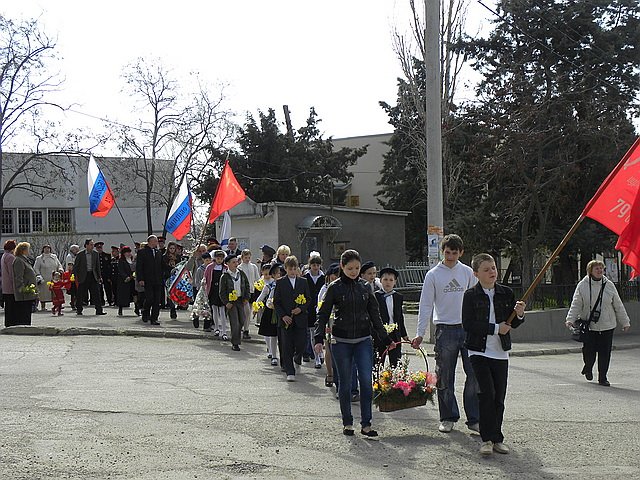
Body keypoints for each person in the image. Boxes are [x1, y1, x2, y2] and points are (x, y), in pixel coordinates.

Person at [314, 249, 395, 437]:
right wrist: (318, 338)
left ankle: (366, 424)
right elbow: (323, 314)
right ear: (342, 267)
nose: (354, 271)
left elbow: (375, 316)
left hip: (363, 340)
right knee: (345, 383)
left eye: (357, 268)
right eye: (350, 268)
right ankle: (347, 423)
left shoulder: (366, 288)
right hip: (341, 341)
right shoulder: (334, 288)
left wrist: (386, 339)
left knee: (366, 382)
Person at [411, 234, 480, 434]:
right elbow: (425, 305)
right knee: (444, 376)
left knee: (474, 374)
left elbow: (477, 301)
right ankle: (448, 416)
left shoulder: (468, 272)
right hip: (445, 329)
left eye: (455, 253)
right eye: (447, 252)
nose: (450, 256)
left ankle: (474, 418)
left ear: (461, 253)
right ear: (443, 252)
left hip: (468, 329)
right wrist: (420, 333)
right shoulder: (433, 275)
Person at [462, 253, 525, 456]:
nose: (492, 272)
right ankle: (486, 439)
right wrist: (496, 328)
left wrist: (520, 314)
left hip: (500, 352)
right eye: (487, 269)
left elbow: (512, 323)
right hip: (478, 351)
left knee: (499, 396)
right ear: (476, 273)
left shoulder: (506, 293)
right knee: (486, 393)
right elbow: (469, 324)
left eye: (494, 268)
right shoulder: (470, 295)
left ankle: (497, 438)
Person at [565, 260, 631, 386]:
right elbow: (576, 304)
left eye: (601, 268)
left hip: (607, 325)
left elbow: (618, 305)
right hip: (589, 326)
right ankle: (588, 367)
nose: (600, 270)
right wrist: (570, 319)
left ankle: (603, 377)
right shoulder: (583, 285)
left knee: (605, 353)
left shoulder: (609, 285)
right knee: (588, 351)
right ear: (590, 271)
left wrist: (625, 322)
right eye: (597, 268)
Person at [274, 255, 311, 381]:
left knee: (301, 343)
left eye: (295, 269)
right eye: (290, 269)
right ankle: (290, 370)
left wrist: (301, 308)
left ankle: (297, 357)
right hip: (286, 320)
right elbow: (276, 302)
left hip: (300, 318)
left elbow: (308, 299)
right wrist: (283, 316)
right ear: (286, 269)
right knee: (287, 345)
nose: (293, 271)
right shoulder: (280, 282)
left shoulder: (303, 282)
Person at [375, 267, 409, 367]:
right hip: (380, 334)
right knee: (378, 362)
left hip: (395, 333)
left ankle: (394, 381)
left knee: (396, 362)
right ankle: (377, 381)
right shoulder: (375, 296)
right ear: (380, 280)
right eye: (385, 279)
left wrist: (404, 334)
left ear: (395, 282)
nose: (388, 283)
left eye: (391, 280)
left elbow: (399, 317)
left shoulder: (398, 297)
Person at [219, 253, 250, 351]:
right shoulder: (225, 276)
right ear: (227, 263)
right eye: (233, 262)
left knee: (242, 320)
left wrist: (246, 298)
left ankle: (236, 337)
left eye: (237, 262)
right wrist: (226, 302)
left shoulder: (241, 273)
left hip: (240, 300)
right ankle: (235, 343)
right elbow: (222, 292)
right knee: (235, 322)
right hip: (231, 302)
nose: (236, 264)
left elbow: (247, 285)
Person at [317, 263, 340, 388]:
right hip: (328, 320)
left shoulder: (342, 287)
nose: (336, 277)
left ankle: (338, 374)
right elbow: (319, 307)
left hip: (340, 321)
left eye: (338, 275)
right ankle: (330, 373)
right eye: (334, 275)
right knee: (329, 348)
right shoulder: (325, 289)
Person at [74, 239, 106, 316]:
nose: (92, 246)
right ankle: (79, 310)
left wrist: (99, 276)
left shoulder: (95, 254)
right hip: (83, 276)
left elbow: (97, 266)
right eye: (91, 244)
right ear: (86, 245)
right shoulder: (80, 254)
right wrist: (76, 276)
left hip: (93, 275)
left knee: (96, 294)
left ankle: (99, 310)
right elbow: (76, 266)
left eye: (93, 244)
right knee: (81, 294)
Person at [136, 235, 163, 325]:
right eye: (155, 241)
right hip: (147, 280)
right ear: (150, 242)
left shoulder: (158, 252)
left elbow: (161, 266)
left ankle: (154, 318)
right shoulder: (142, 252)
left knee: (157, 300)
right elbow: (139, 267)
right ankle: (145, 312)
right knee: (150, 298)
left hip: (158, 280)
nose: (156, 243)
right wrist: (140, 279)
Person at [304, 254, 325, 367]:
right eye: (313, 265)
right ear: (310, 265)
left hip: (321, 309)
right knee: (312, 333)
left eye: (317, 265)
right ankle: (316, 357)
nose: (315, 267)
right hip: (309, 309)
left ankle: (320, 354)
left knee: (321, 334)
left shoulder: (323, 278)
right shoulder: (305, 278)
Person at [257, 263, 279, 365]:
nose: (279, 275)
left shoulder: (285, 285)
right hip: (270, 312)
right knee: (271, 334)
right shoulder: (269, 286)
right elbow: (261, 298)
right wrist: (256, 307)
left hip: (282, 312)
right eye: (277, 274)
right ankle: (273, 354)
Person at [12, 242, 39, 326]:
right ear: (23, 250)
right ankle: (24, 328)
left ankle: (27, 326)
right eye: (28, 249)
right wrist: (22, 288)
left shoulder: (24, 259)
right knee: (24, 313)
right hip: (24, 293)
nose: (29, 251)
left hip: (29, 291)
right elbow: (18, 277)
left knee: (27, 312)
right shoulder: (19, 260)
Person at [205, 250, 228, 337]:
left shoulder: (225, 268)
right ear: (214, 258)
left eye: (221, 259)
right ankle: (216, 328)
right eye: (218, 258)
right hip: (213, 290)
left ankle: (224, 330)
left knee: (222, 310)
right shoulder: (210, 267)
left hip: (222, 290)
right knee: (214, 309)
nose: (219, 260)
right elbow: (206, 277)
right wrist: (204, 284)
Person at [33, 245, 63, 311]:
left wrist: (60, 269)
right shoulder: (39, 258)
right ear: (43, 249)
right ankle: (43, 306)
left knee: (55, 292)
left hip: (54, 278)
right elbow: (36, 268)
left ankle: (57, 305)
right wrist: (38, 275)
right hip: (44, 278)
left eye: (48, 248)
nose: (47, 250)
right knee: (43, 293)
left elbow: (58, 265)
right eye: (45, 248)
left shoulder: (54, 257)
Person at [238, 248, 260, 340]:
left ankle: (246, 330)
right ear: (242, 257)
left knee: (249, 312)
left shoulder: (253, 267)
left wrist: (258, 286)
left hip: (252, 291)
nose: (247, 259)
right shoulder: (240, 267)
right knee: (245, 311)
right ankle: (241, 328)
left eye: (249, 257)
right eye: (246, 257)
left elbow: (257, 278)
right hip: (243, 293)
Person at [2, 240, 17, 327]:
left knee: (8, 306)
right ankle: (11, 323)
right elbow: (12, 272)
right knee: (12, 306)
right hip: (10, 286)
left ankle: (8, 323)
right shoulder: (11, 257)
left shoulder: (4, 255)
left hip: (5, 286)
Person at [116, 246, 135, 316]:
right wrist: (126, 277)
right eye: (127, 252)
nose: (128, 254)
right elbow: (121, 270)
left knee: (135, 295)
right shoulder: (121, 261)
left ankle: (137, 309)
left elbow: (135, 269)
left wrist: (133, 276)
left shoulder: (132, 260)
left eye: (129, 252)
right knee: (122, 296)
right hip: (124, 281)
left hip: (132, 279)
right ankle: (120, 309)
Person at [95, 242, 113, 306]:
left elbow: (109, 266)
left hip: (106, 274)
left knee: (107, 288)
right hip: (99, 274)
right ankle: (101, 301)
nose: (99, 249)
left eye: (100, 248)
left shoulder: (107, 255)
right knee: (99, 289)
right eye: (98, 248)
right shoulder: (95, 256)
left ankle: (110, 300)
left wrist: (109, 276)